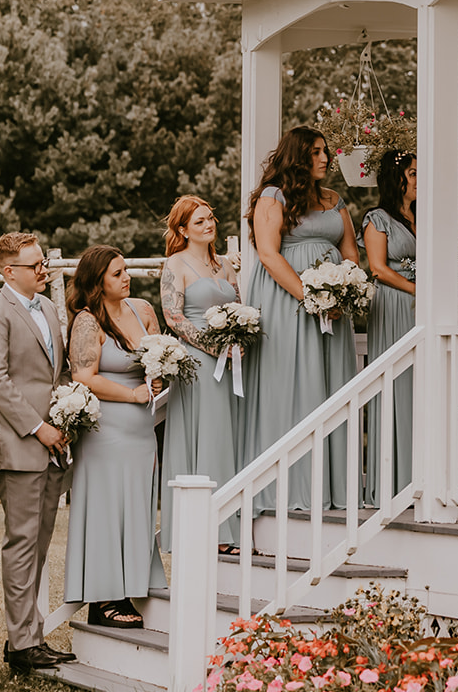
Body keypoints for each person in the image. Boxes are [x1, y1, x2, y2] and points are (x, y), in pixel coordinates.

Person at [239, 126, 361, 511]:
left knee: (330, 386)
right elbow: (269, 254)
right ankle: (287, 487)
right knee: (290, 385)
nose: (325, 158)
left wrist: (344, 288)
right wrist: (312, 297)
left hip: (334, 308)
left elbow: (351, 251)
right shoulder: (272, 197)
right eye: (317, 152)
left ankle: (334, 486)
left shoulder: (335, 200)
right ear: (298, 156)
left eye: (326, 151)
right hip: (287, 304)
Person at [0, 232, 76, 674]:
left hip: (54, 444)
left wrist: (70, 416)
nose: (43, 270)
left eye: (42, 262)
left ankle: (29, 637)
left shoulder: (50, 307)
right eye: (34, 265)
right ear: (8, 270)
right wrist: (38, 428)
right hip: (20, 444)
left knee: (39, 544)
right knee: (21, 545)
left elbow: (58, 370)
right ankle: (22, 644)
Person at [64, 245, 167, 628]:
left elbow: (158, 355)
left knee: (137, 504)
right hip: (105, 431)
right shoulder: (88, 321)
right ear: (97, 283)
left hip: (142, 429)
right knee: (108, 508)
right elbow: (83, 377)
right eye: (117, 274)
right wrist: (132, 393)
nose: (127, 278)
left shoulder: (143, 310)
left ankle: (137, 581)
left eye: (126, 271)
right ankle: (105, 598)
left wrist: (158, 376)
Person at [159, 195, 244, 554]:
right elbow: (173, 316)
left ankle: (229, 522)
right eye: (199, 222)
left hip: (233, 360)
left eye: (210, 219)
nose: (209, 225)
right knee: (207, 436)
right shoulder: (175, 264)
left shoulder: (225, 265)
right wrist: (214, 347)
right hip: (199, 361)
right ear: (182, 229)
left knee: (228, 435)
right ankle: (209, 532)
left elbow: (238, 306)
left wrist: (239, 337)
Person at [361, 150, 416, 503]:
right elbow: (378, 268)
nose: (418, 179)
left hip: (420, 306)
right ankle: (392, 482)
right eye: (413, 173)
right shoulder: (377, 219)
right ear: (396, 179)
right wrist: (418, 289)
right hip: (394, 305)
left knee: (424, 387)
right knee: (397, 385)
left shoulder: (422, 217)